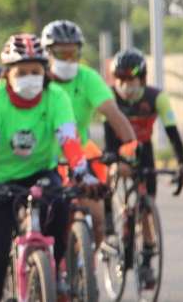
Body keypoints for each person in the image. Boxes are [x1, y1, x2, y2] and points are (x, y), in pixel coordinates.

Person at [0, 33, 94, 302]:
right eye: (22, 72)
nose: (30, 77)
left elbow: (69, 138)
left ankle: (54, 272)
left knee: (62, 207)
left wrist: (83, 173)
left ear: (45, 71)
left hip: (40, 175)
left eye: (35, 71)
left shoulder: (56, 96)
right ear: (7, 74)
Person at [41, 19, 138, 247]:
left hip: (81, 154)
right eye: (61, 54)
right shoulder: (38, 81)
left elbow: (113, 114)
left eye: (72, 53)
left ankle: (90, 268)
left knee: (97, 215)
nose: (67, 60)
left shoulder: (88, 78)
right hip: (44, 157)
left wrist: (130, 148)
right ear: (47, 54)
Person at [104, 48, 183, 288]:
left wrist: (182, 165)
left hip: (144, 153)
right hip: (119, 149)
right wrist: (114, 161)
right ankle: (110, 217)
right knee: (109, 173)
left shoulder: (156, 98)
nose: (124, 84)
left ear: (142, 79)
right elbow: (110, 135)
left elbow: (173, 134)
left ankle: (146, 262)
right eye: (119, 79)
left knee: (146, 211)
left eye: (129, 79)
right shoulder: (109, 97)